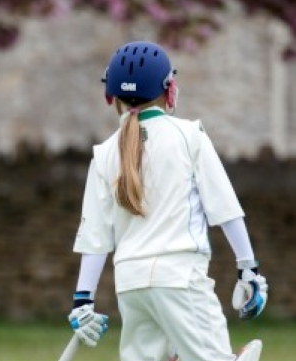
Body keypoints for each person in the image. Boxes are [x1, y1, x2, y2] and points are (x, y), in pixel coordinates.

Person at [66, 40, 268, 361]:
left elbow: (95, 236)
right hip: (180, 279)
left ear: (111, 95)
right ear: (169, 88)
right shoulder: (189, 136)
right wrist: (248, 269)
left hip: (130, 286)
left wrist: (83, 301)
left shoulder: (103, 153)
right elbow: (225, 208)